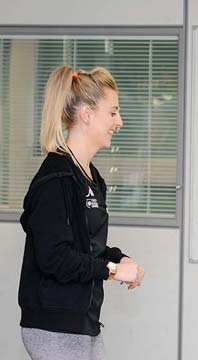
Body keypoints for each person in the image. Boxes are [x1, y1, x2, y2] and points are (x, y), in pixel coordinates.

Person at [18, 65, 145, 360]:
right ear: (87, 114)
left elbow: (84, 246)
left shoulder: (91, 177)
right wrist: (112, 271)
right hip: (54, 327)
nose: (120, 121)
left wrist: (117, 258)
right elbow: (54, 258)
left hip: (82, 322)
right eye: (112, 112)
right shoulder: (56, 178)